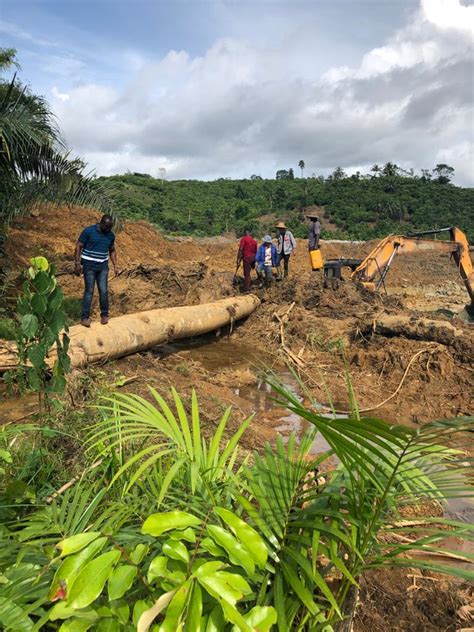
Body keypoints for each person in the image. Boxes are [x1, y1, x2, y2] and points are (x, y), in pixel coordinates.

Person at [75, 214, 119, 327]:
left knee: (103, 291)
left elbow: (112, 250)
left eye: (110, 227)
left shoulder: (110, 235)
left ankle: (104, 315)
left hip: (103, 266)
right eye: (107, 227)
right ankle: (84, 318)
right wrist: (77, 263)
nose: (109, 229)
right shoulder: (89, 231)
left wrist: (115, 265)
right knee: (89, 291)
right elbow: (79, 246)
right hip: (89, 265)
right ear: (101, 223)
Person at [237, 228, 257, 292]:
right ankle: (249, 285)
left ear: (245, 233)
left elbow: (241, 249)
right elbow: (255, 251)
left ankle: (247, 289)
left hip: (247, 258)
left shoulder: (244, 239)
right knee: (249, 272)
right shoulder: (254, 241)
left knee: (246, 274)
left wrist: (238, 260)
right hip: (253, 257)